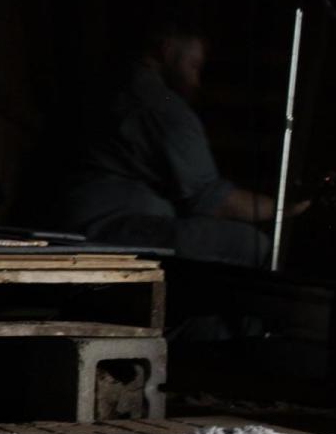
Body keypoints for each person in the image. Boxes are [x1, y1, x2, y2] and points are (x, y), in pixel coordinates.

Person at [55, 25, 307, 268]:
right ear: (166, 50)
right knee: (251, 245)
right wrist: (285, 208)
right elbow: (212, 200)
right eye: (194, 66)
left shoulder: (117, 83)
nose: (196, 81)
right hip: (105, 227)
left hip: (88, 219)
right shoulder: (159, 105)